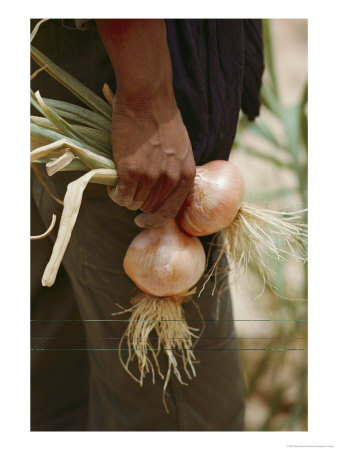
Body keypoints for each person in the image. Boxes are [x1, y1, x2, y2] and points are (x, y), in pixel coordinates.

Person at [30, 19, 264, 431]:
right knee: (176, 407)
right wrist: (146, 97)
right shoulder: (143, 96)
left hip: (68, 54)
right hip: (129, 66)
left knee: (63, 363)